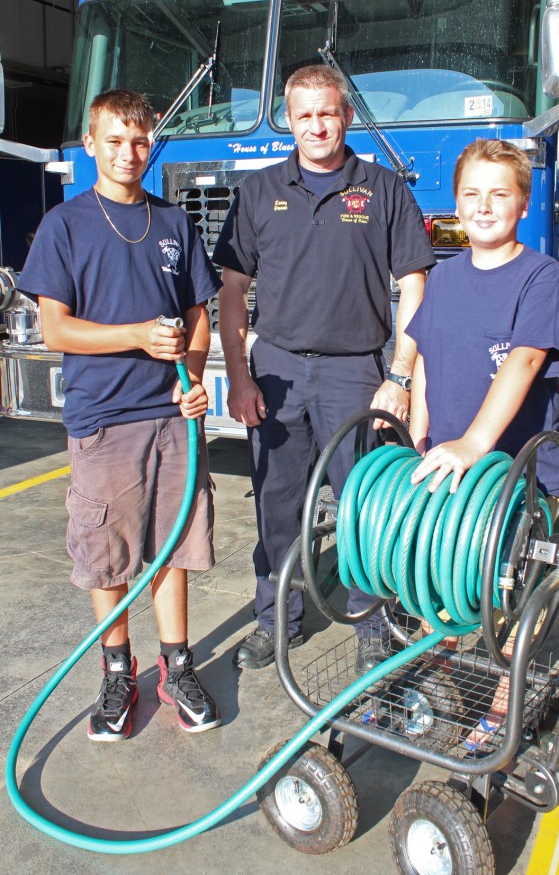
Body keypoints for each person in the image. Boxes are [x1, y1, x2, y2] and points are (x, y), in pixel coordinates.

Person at [212, 64, 436, 671]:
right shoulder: (257, 191)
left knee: (367, 503)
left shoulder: (385, 189)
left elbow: (413, 284)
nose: (317, 125)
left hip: (357, 373)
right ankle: (274, 619)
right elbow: (233, 290)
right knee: (277, 503)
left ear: (348, 116)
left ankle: (373, 621)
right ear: (288, 119)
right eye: (304, 114)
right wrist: (238, 375)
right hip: (277, 371)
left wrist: (400, 374)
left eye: (328, 113)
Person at [18, 90, 223, 742]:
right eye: (114, 141)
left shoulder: (173, 224)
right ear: (91, 145)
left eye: (139, 141)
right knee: (108, 553)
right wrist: (135, 335)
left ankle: (177, 666)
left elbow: (198, 315)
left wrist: (191, 376)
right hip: (104, 419)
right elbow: (56, 330)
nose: (128, 153)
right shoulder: (66, 226)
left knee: (172, 548)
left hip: (171, 420)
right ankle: (117, 673)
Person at [405, 137, 559, 746]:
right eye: (471, 194)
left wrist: (475, 442)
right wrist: (419, 437)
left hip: (513, 473)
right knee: (443, 574)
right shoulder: (443, 278)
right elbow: (423, 358)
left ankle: (504, 700)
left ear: (523, 203)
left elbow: (526, 360)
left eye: (500, 194)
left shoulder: (540, 275)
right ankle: (435, 668)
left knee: (512, 589)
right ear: (455, 204)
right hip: (450, 467)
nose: (484, 205)